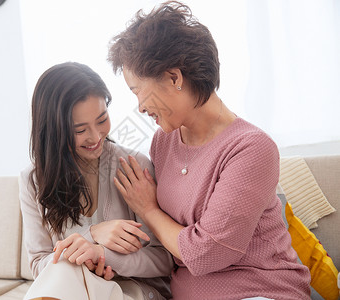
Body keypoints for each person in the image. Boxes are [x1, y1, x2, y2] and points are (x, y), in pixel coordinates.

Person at [107, 2, 312, 299]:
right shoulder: (163, 142)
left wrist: (149, 209)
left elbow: (206, 254)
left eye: (137, 90)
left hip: (260, 292)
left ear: (174, 78)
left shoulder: (251, 148)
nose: (139, 107)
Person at [19, 62, 174, 300]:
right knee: (63, 272)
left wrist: (101, 253)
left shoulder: (133, 166)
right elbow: (41, 265)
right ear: (55, 131)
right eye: (80, 130)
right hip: (72, 288)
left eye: (102, 119)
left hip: (133, 292)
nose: (95, 136)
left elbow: (164, 260)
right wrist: (91, 235)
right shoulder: (33, 180)